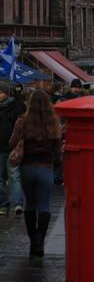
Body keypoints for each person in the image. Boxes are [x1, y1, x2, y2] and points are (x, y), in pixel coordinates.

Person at [9, 89, 62, 258]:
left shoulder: (22, 121)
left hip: (27, 167)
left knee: (30, 205)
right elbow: (57, 148)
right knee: (44, 206)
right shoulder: (53, 122)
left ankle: (33, 242)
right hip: (45, 167)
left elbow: (12, 143)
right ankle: (40, 240)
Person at [0, 81, 25, 217]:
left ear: (5, 93)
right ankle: (3, 204)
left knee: (14, 176)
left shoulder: (15, 107)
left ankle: (17, 204)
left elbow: (20, 128)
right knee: (0, 178)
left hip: (12, 148)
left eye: (0, 92)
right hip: (0, 148)